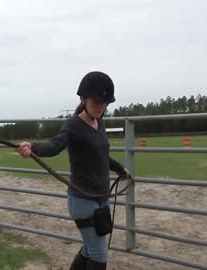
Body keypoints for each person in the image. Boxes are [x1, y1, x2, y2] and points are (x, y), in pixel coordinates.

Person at [16, 71, 131, 270]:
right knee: (98, 255)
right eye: (96, 101)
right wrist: (32, 147)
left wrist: (120, 169)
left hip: (101, 197)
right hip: (83, 200)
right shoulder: (73, 126)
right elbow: (54, 145)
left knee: (89, 250)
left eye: (104, 103)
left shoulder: (99, 123)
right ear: (83, 99)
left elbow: (101, 156)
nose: (101, 106)